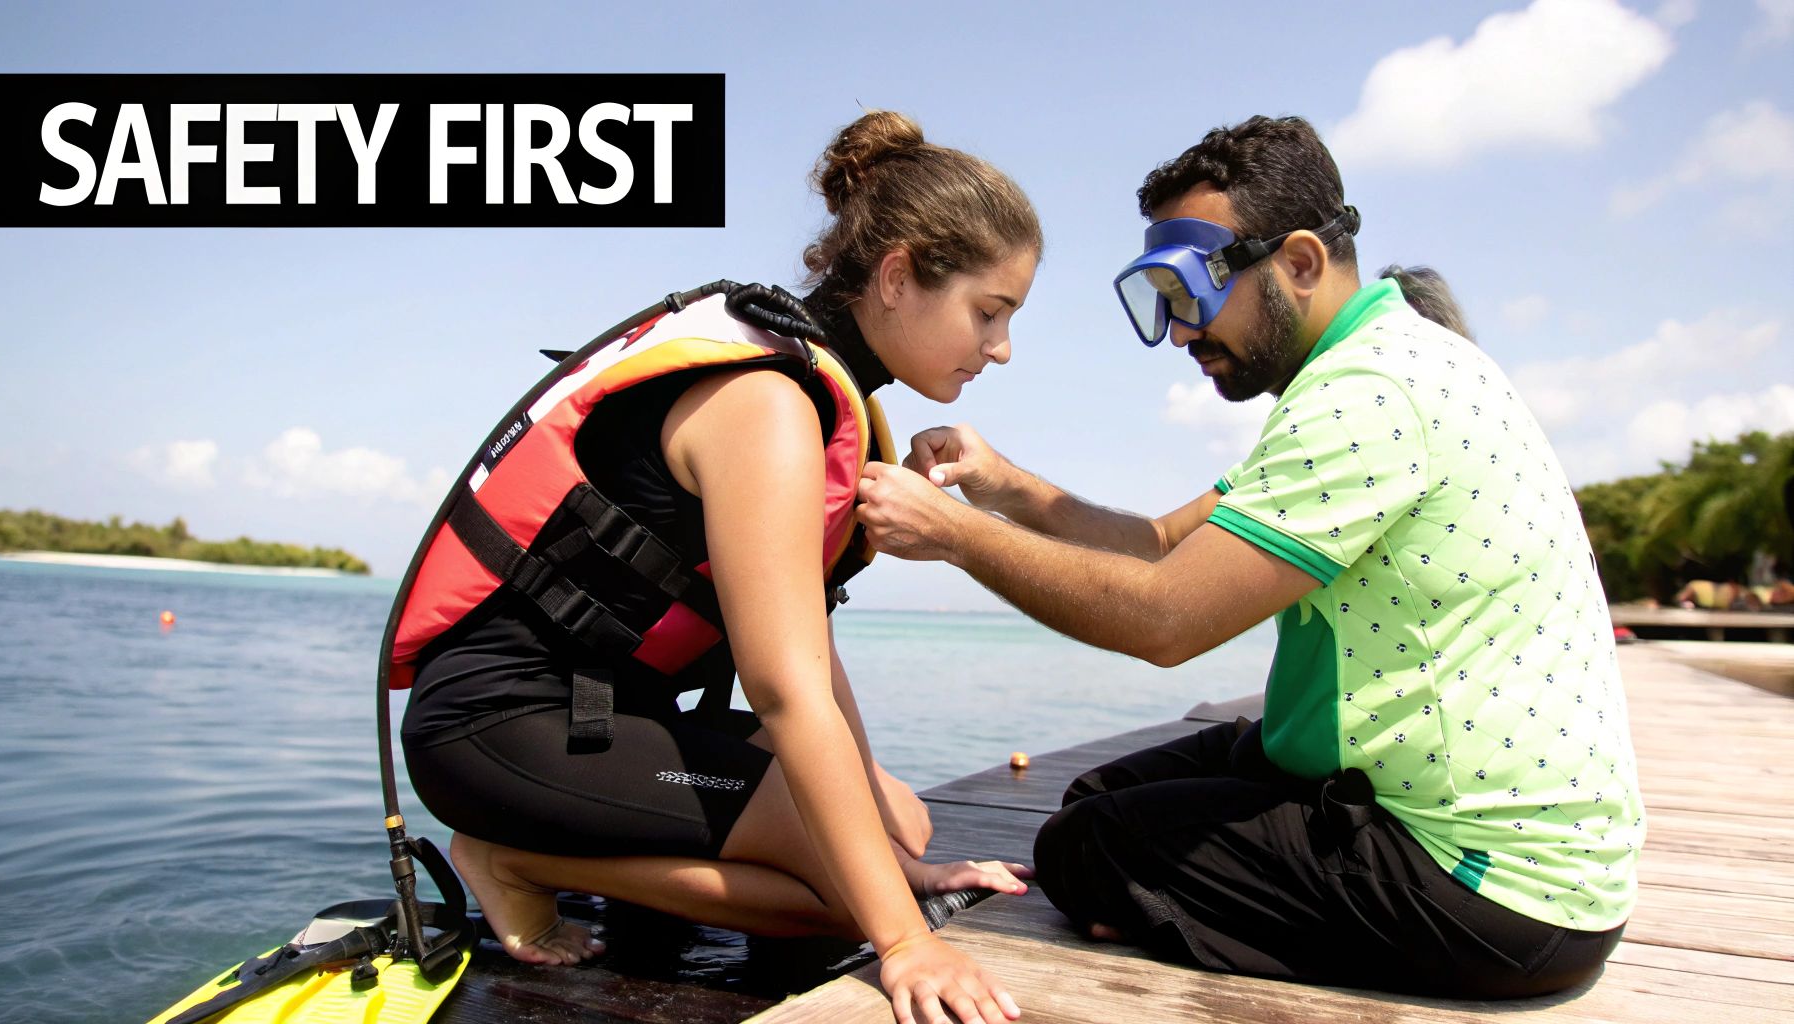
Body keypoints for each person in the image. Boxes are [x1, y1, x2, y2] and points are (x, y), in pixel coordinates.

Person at [856, 115, 1643, 999]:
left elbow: (1165, 618)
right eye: (1160, 296)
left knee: (1086, 850)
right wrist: (1005, 488)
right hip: (1470, 834)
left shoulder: (1370, 395)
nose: (1180, 331)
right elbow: (1162, 547)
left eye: (1189, 290)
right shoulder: (1385, 364)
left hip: (1490, 890)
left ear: (1299, 263)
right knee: (1095, 804)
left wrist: (955, 535)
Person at [394, 110, 1040, 1024]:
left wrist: (901, 862)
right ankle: (510, 856)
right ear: (899, 276)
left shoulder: (808, 395)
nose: (1002, 347)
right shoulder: (766, 402)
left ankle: (627, 860)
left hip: (609, 717)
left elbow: (809, 657)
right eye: (990, 312)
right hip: (503, 725)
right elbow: (784, 692)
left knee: (901, 822)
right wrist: (903, 935)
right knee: (844, 895)